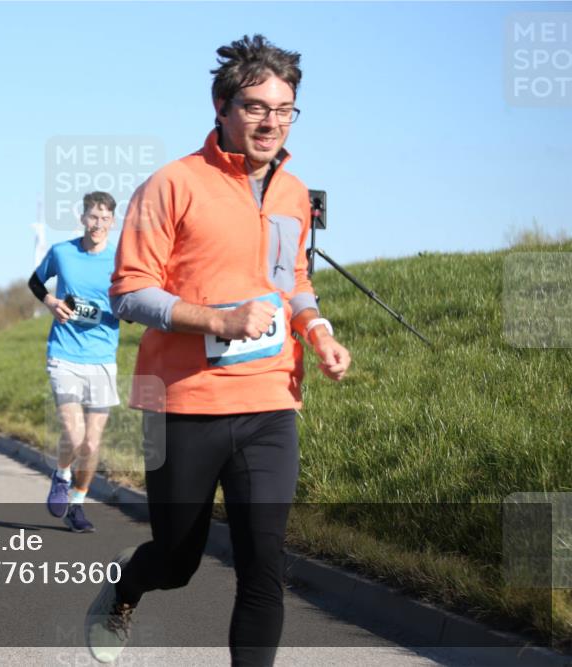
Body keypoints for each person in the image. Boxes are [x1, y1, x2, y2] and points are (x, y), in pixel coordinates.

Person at [85, 36, 352, 665]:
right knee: (176, 559)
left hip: (268, 401)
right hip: (178, 403)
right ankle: (127, 588)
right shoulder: (172, 184)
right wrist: (217, 319)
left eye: (285, 109)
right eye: (257, 107)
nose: (272, 122)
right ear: (222, 105)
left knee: (264, 564)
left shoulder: (294, 193)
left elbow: (294, 283)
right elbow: (128, 292)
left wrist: (318, 333)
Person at [28, 191, 120, 533]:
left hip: (103, 359)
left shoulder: (120, 259)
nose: (98, 224)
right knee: (74, 433)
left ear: (112, 221)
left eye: (104, 218)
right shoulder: (62, 252)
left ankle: (78, 504)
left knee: (93, 443)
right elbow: (35, 282)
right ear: (83, 218)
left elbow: (132, 296)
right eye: (92, 217)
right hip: (64, 354)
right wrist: (50, 301)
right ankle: (62, 474)